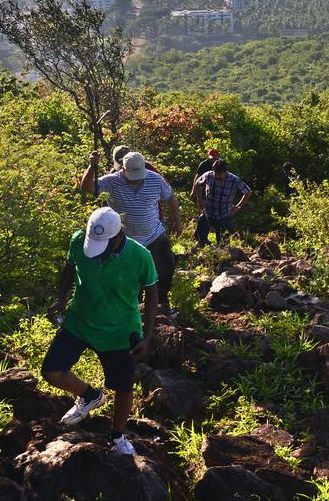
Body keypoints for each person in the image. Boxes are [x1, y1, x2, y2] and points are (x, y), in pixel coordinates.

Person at [42, 207, 158, 456]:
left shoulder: (140, 256)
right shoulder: (78, 240)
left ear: (118, 236)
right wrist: (60, 298)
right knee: (52, 371)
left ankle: (117, 437)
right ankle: (90, 396)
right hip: (79, 321)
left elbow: (151, 293)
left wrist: (147, 336)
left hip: (119, 329)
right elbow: (70, 267)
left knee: (123, 386)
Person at [80, 150, 181, 310]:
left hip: (154, 235)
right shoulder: (111, 181)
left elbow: (170, 196)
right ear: (123, 169)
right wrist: (92, 167)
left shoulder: (155, 179)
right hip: (125, 239)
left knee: (166, 266)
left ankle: (162, 302)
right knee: (129, 273)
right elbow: (87, 188)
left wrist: (177, 219)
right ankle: (133, 304)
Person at [192, 159, 251, 247]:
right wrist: (200, 200)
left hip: (224, 214)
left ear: (225, 172)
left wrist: (238, 207)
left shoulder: (233, 179)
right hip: (208, 212)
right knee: (200, 237)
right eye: (216, 173)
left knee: (223, 243)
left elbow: (248, 192)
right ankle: (204, 249)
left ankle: (221, 255)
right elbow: (197, 184)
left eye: (220, 174)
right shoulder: (208, 175)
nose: (217, 176)